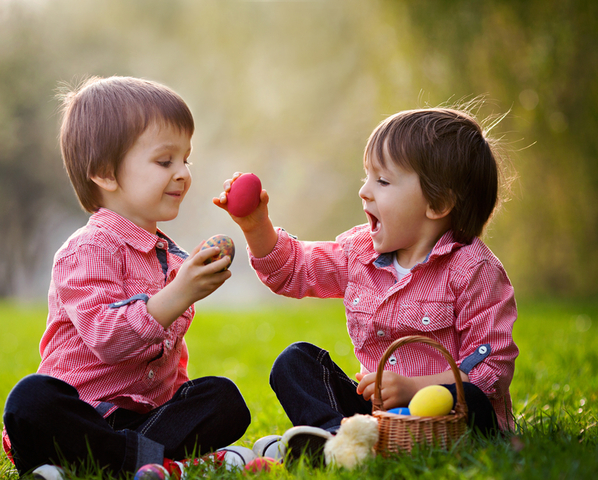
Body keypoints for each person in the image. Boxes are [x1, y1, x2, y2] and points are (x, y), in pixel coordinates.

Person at [215, 105, 518, 464]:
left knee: (478, 400)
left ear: (438, 203)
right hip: (377, 415)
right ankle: (337, 439)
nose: (364, 192)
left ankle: (345, 443)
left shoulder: (472, 270)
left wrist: (413, 388)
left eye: (383, 181)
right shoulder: (358, 251)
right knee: (294, 361)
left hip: (448, 416)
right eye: (367, 177)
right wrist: (255, 225)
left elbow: (491, 370)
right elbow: (294, 269)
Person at [3, 76, 251, 478]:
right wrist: (178, 294)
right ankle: (151, 460)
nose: (183, 173)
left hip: (144, 421)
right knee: (30, 400)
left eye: (186, 159)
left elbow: (172, 361)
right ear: (105, 172)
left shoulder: (173, 260)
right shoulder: (87, 250)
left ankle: (125, 460)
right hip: (82, 416)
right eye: (164, 161)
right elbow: (108, 339)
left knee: (223, 398)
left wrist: (182, 402)